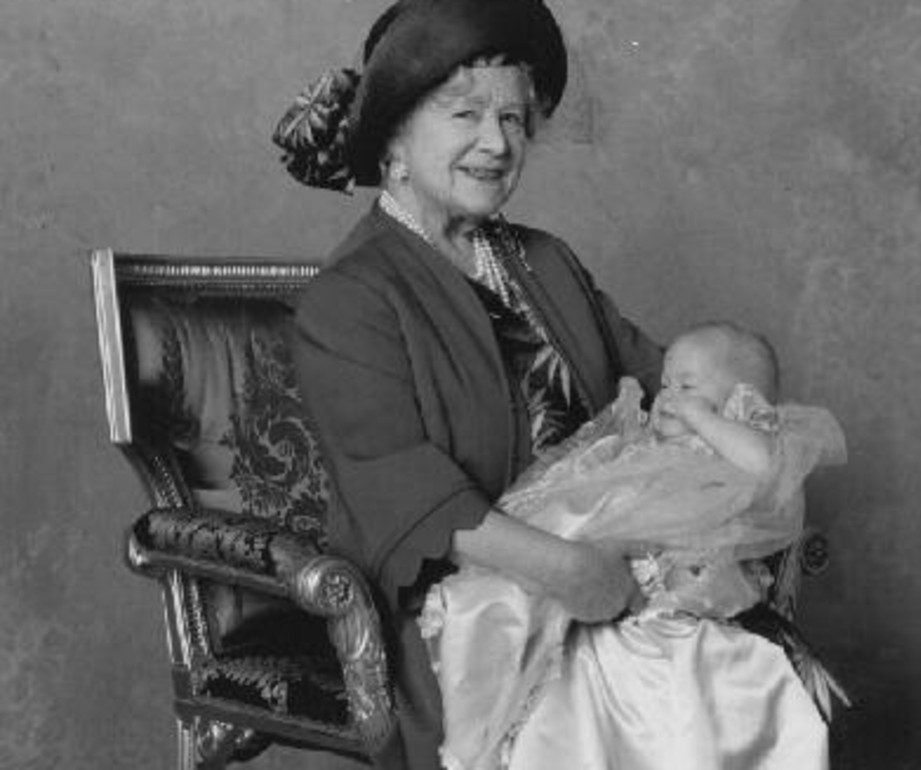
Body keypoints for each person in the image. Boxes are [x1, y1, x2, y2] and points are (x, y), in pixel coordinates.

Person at [276, 1, 663, 767]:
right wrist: (572, 573)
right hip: (468, 615)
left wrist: (734, 418)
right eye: (466, 115)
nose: (497, 143)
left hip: (599, 579)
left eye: (515, 120)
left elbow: (655, 378)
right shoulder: (350, 299)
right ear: (393, 136)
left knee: (731, 669)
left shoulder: (546, 261)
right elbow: (411, 494)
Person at [419, 321, 848, 770]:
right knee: (535, 595)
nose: (668, 394)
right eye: (665, 383)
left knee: (648, 668)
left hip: (685, 574)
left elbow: (768, 469)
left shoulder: (734, 444)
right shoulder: (650, 446)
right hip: (616, 560)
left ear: (740, 402)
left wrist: (705, 419)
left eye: (686, 385)